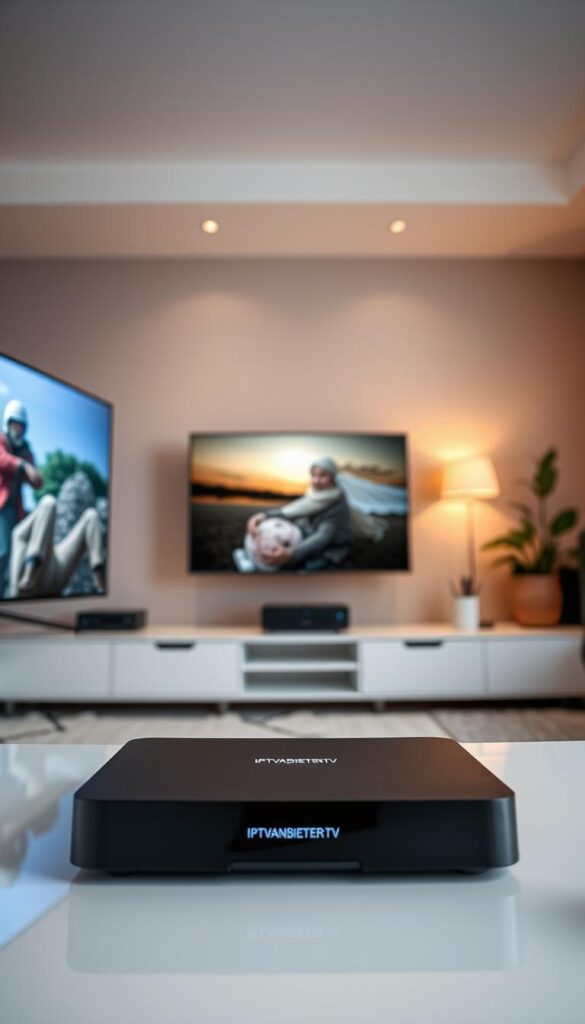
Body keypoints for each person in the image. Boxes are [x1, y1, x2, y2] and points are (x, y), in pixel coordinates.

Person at [246, 457, 351, 571]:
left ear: (332, 477)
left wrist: (292, 554)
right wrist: (264, 516)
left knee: (303, 569)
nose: (316, 480)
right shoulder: (314, 495)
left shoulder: (337, 502)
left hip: (331, 549)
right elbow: (293, 510)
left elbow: (323, 536)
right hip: (308, 537)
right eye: (314, 475)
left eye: (322, 475)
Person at [0, 400, 43, 596]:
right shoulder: (1, 441)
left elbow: (36, 481)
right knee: (4, 552)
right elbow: (3, 460)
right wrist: (24, 466)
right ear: (8, 424)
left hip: (16, 511)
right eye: (15, 424)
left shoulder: (26, 451)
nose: (18, 429)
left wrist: (33, 472)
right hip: (2, 508)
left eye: (21, 426)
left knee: (16, 552)